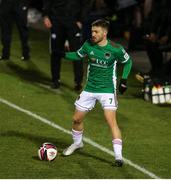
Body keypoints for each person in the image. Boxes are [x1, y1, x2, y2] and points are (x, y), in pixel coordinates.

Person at [62, 19, 132, 167]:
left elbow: (128, 61)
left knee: (111, 121)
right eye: (92, 31)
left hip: (107, 90)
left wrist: (124, 80)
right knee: (76, 119)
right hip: (90, 88)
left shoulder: (115, 49)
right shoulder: (88, 45)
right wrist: (62, 54)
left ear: (104, 33)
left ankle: (118, 157)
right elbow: (77, 55)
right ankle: (77, 144)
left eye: (96, 32)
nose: (92, 34)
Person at [43, 0, 91, 91]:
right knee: (56, 52)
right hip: (56, 20)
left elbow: (86, 4)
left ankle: (78, 82)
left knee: (76, 53)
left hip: (73, 22)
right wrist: (45, 15)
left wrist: (81, 20)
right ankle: (55, 80)